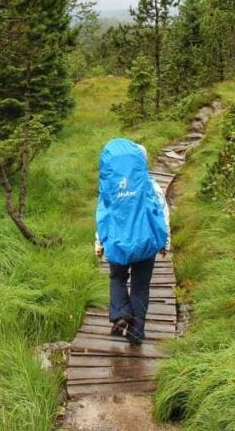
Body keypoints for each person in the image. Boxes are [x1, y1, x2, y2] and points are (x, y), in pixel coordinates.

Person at [94, 139, 171, 345]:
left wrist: (99, 242)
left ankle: (120, 313)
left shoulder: (109, 186)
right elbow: (162, 213)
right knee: (140, 286)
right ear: (142, 162)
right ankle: (136, 334)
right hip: (145, 242)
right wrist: (165, 242)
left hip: (118, 243)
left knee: (117, 278)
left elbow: (103, 215)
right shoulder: (150, 185)